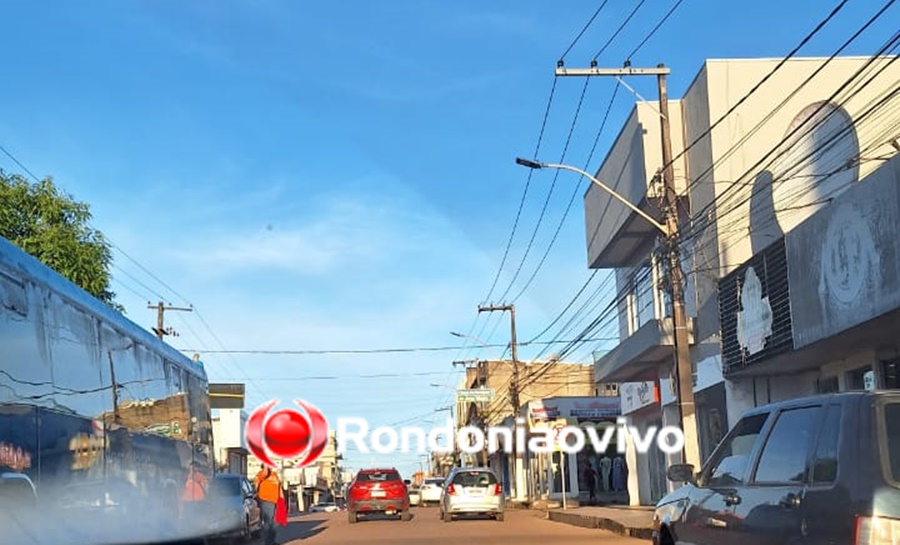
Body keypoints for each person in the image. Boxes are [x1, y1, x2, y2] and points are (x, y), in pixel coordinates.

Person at [254, 465, 283, 545]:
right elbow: (265, 473)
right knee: (268, 522)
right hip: (265, 500)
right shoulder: (261, 474)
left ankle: (272, 541)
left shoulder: (274, 474)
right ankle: (268, 542)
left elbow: (279, 487)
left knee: (273, 523)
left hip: (274, 500)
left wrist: (282, 499)